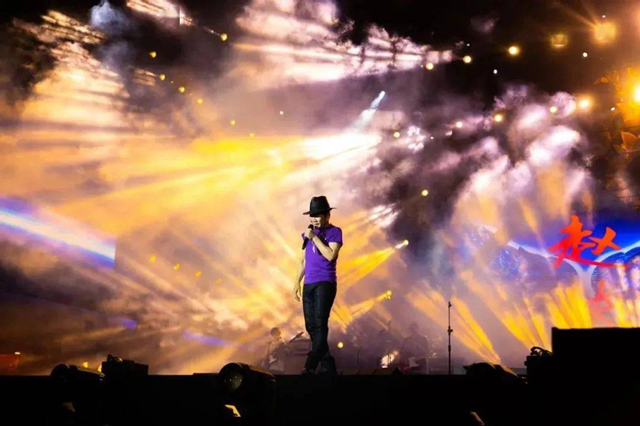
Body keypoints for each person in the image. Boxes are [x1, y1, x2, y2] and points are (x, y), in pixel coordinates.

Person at [293, 196, 343, 375]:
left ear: (327, 215)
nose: (314, 219)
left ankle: (310, 365)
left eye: (318, 215)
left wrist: (314, 238)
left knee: (320, 323)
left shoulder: (334, 232)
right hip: (309, 284)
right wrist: (296, 282)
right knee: (310, 326)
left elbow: (331, 255)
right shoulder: (306, 235)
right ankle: (328, 365)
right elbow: (302, 261)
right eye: (312, 216)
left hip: (325, 282)